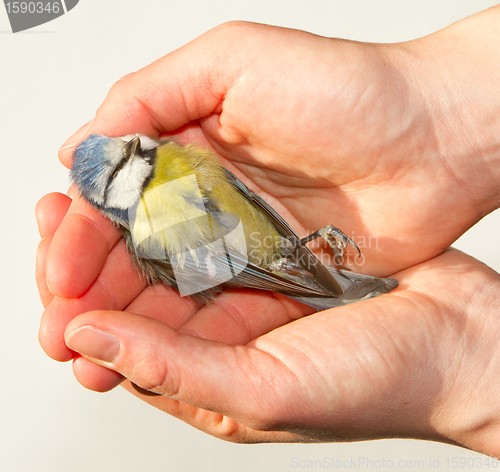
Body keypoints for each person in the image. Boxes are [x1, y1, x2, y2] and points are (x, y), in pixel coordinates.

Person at [36, 5, 500, 455]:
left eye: (127, 145)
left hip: (267, 241)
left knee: (296, 267)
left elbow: (248, 202)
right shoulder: (149, 223)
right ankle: (336, 287)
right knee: (292, 275)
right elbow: (227, 265)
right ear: (112, 199)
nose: (135, 148)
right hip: (256, 257)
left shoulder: (172, 157)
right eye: (124, 165)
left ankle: (334, 285)